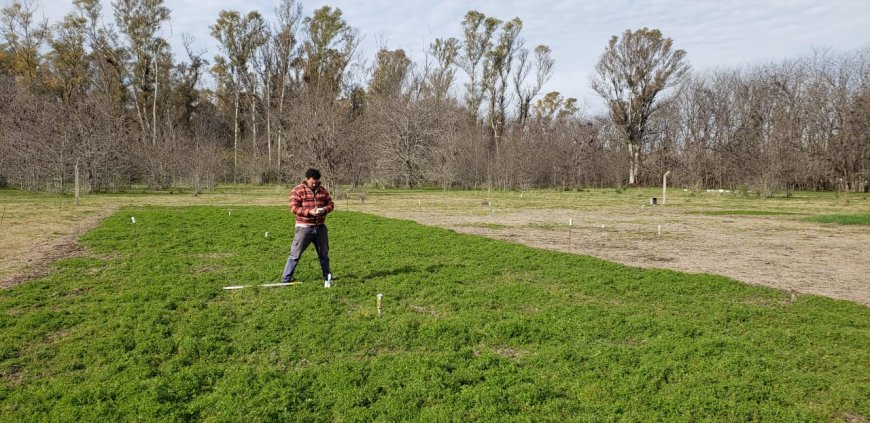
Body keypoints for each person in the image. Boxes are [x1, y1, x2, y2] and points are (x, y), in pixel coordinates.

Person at [281, 168, 334, 284]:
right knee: (295, 255)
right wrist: (309, 212)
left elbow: (331, 204)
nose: (314, 184)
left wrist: (324, 210)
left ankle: (327, 277)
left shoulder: (323, 191)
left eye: (316, 182)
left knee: (324, 254)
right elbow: (293, 208)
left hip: (320, 228)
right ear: (306, 179)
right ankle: (285, 279)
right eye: (312, 182)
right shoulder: (297, 191)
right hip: (304, 228)